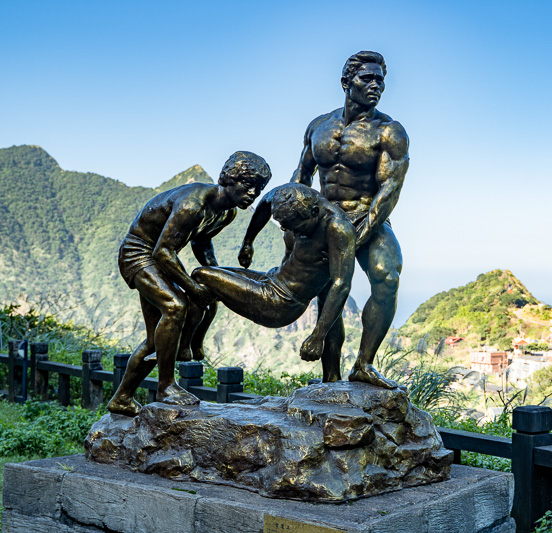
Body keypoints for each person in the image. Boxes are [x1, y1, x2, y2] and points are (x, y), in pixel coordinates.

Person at [108, 151, 271, 416]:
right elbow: (163, 251)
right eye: (248, 183)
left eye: (259, 188)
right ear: (229, 179)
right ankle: (166, 386)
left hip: (159, 257)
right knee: (175, 306)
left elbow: (201, 240)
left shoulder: (226, 213)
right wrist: (193, 286)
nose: (253, 193)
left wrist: (214, 276)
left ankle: (122, 399)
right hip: (139, 254)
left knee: (155, 340)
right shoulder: (192, 205)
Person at [288, 51, 409, 389]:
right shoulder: (318, 127)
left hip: (369, 214)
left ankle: (364, 363)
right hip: (324, 220)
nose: (375, 86)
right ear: (346, 83)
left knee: (388, 276)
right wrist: (294, 222)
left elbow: (390, 189)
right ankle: (330, 376)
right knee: (327, 294)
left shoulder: (390, 132)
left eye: (380, 81)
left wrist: (363, 230)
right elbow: (302, 175)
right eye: (367, 79)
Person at [194, 183, 355, 382]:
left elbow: (341, 284)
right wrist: (248, 242)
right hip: (270, 279)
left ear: (314, 213)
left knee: (200, 275)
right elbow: (264, 203)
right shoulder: (292, 194)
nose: (291, 232)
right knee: (210, 274)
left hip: (281, 302)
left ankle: (187, 347)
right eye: (285, 227)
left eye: (296, 227)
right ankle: (190, 343)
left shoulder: (337, 228)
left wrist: (317, 336)